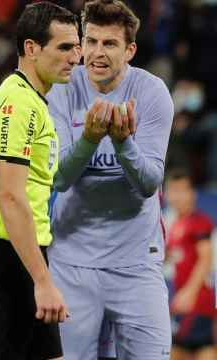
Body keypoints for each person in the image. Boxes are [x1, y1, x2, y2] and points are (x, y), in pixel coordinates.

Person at [45, 0, 174, 358]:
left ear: (130, 50)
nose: (96, 53)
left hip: (136, 262)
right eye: (91, 41)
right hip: (72, 261)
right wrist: (88, 139)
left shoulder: (151, 93)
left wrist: (122, 143)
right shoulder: (62, 89)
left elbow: (149, 182)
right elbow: (58, 178)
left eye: (110, 44)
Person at [0, 2, 80, 359]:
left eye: (77, 46)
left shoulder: (26, 100)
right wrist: (43, 282)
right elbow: (10, 198)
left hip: (17, 253)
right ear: (31, 48)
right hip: (7, 258)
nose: (76, 57)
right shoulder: (19, 106)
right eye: (64, 47)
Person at [165, 168, 216, 360]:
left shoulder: (199, 222)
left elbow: (206, 258)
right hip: (181, 302)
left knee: (201, 350)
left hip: (197, 301)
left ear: (192, 194)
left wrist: (189, 292)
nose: (176, 197)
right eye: (173, 191)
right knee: (178, 350)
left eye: (181, 191)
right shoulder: (174, 224)